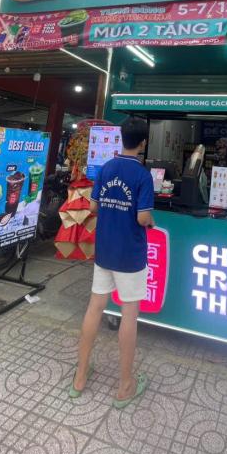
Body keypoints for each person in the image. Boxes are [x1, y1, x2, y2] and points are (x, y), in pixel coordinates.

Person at [70, 116, 154, 408]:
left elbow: (94, 206)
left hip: (104, 250)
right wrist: (150, 221)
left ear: (121, 138)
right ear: (143, 143)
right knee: (129, 314)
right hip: (130, 253)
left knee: (94, 307)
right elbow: (142, 217)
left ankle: (80, 377)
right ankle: (125, 385)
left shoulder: (106, 168)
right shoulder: (142, 175)